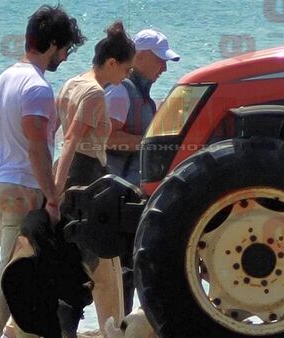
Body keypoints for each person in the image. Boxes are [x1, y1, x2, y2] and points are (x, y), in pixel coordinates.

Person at [0, 4, 85, 337]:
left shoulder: (4, 79)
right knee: (12, 271)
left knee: (17, 268)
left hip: (4, 182)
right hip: (23, 188)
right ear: (51, 45)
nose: (63, 57)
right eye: (63, 49)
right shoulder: (36, 87)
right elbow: (37, 147)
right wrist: (51, 197)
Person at [54, 21, 135, 337]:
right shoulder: (95, 93)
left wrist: (53, 187)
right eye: (126, 70)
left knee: (69, 262)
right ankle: (112, 331)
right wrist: (55, 190)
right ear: (112, 63)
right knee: (108, 270)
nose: (126, 77)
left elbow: (57, 136)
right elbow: (72, 139)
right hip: (88, 178)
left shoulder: (70, 84)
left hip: (69, 176)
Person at [105, 28, 180, 315]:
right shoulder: (121, 91)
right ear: (139, 57)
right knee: (122, 270)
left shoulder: (144, 97)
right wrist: (149, 145)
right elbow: (106, 138)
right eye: (160, 60)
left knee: (130, 269)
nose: (163, 67)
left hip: (131, 197)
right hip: (116, 197)